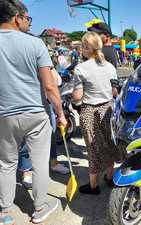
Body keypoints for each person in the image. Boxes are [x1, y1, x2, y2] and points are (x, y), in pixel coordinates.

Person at [0, 1, 67, 224]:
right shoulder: (35, 44)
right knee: (39, 163)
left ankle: (5, 213)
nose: (29, 22)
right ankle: (39, 209)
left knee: (6, 164)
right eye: (28, 18)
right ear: (16, 17)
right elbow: (49, 86)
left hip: (4, 114)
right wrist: (60, 112)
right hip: (35, 113)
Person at [72, 32, 119, 195]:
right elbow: (114, 92)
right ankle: (110, 176)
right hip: (108, 109)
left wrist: (77, 96)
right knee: (109, 144)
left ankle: (93, 186)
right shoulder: (110, 67)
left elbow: (77, 97)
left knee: (93, 148)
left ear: (86, 48)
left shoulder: (80, 68)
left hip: (89, 112)